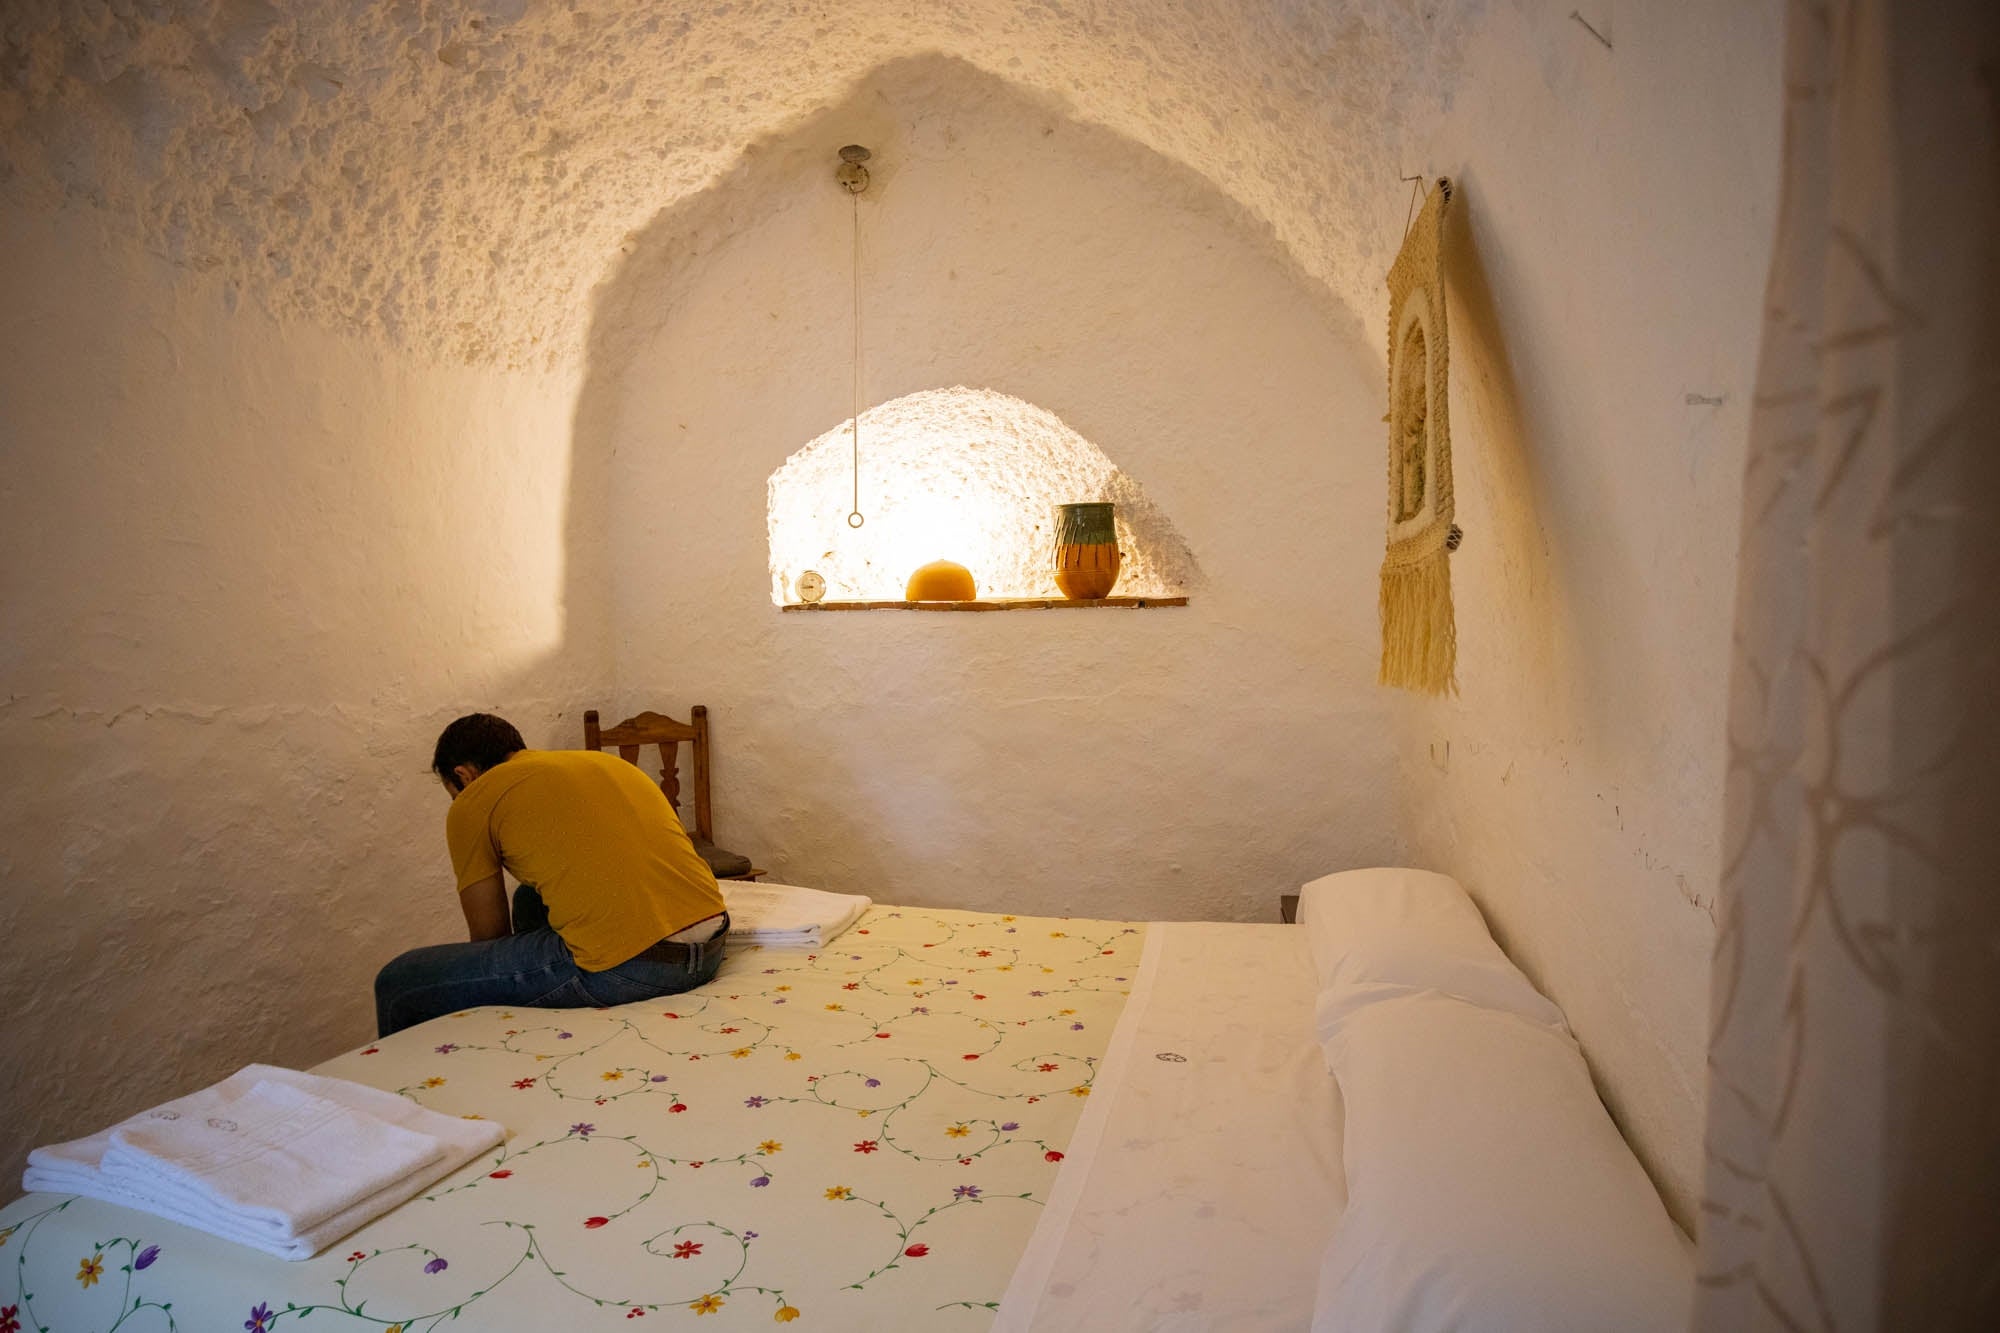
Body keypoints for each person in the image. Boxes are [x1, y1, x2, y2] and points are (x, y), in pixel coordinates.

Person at [373, 713, 729, 1036]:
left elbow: (489, 935)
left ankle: (389, 1101)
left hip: (636, 968)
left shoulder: (473, 800)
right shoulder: (599, 762)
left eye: (453, 793)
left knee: (399, 981)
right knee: (528, 897)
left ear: (463, 775)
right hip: (710, 944)